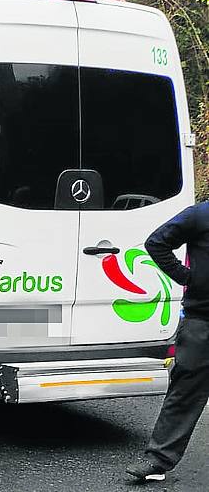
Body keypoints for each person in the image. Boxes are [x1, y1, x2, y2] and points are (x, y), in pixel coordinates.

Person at [126, 202, 209, 482]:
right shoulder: (201, 214)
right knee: (185, 390)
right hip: (202, 319)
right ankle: (158, 460)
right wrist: (189, 278)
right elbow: (157, 242)